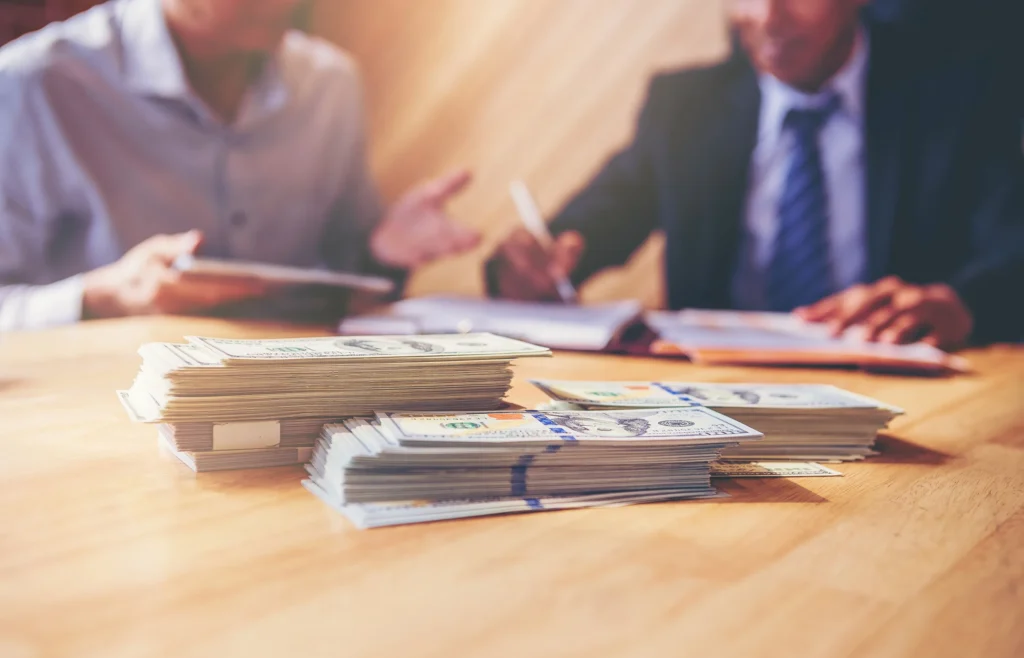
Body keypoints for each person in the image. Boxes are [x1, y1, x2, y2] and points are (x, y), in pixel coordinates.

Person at [488, 0, 1024, 347]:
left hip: (904, 394)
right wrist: (533, 264)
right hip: (719, 401)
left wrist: (963, 305)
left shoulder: (960, 97)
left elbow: (1011, 252)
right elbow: (595, 222)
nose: (768, 16)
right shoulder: (685, 106)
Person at [0, 0, 480, 331]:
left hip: (292, 406)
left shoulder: (331, 84)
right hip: (97, 413)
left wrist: (382, 251)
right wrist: (101, 297)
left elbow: (343, 278)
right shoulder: (34, 86)